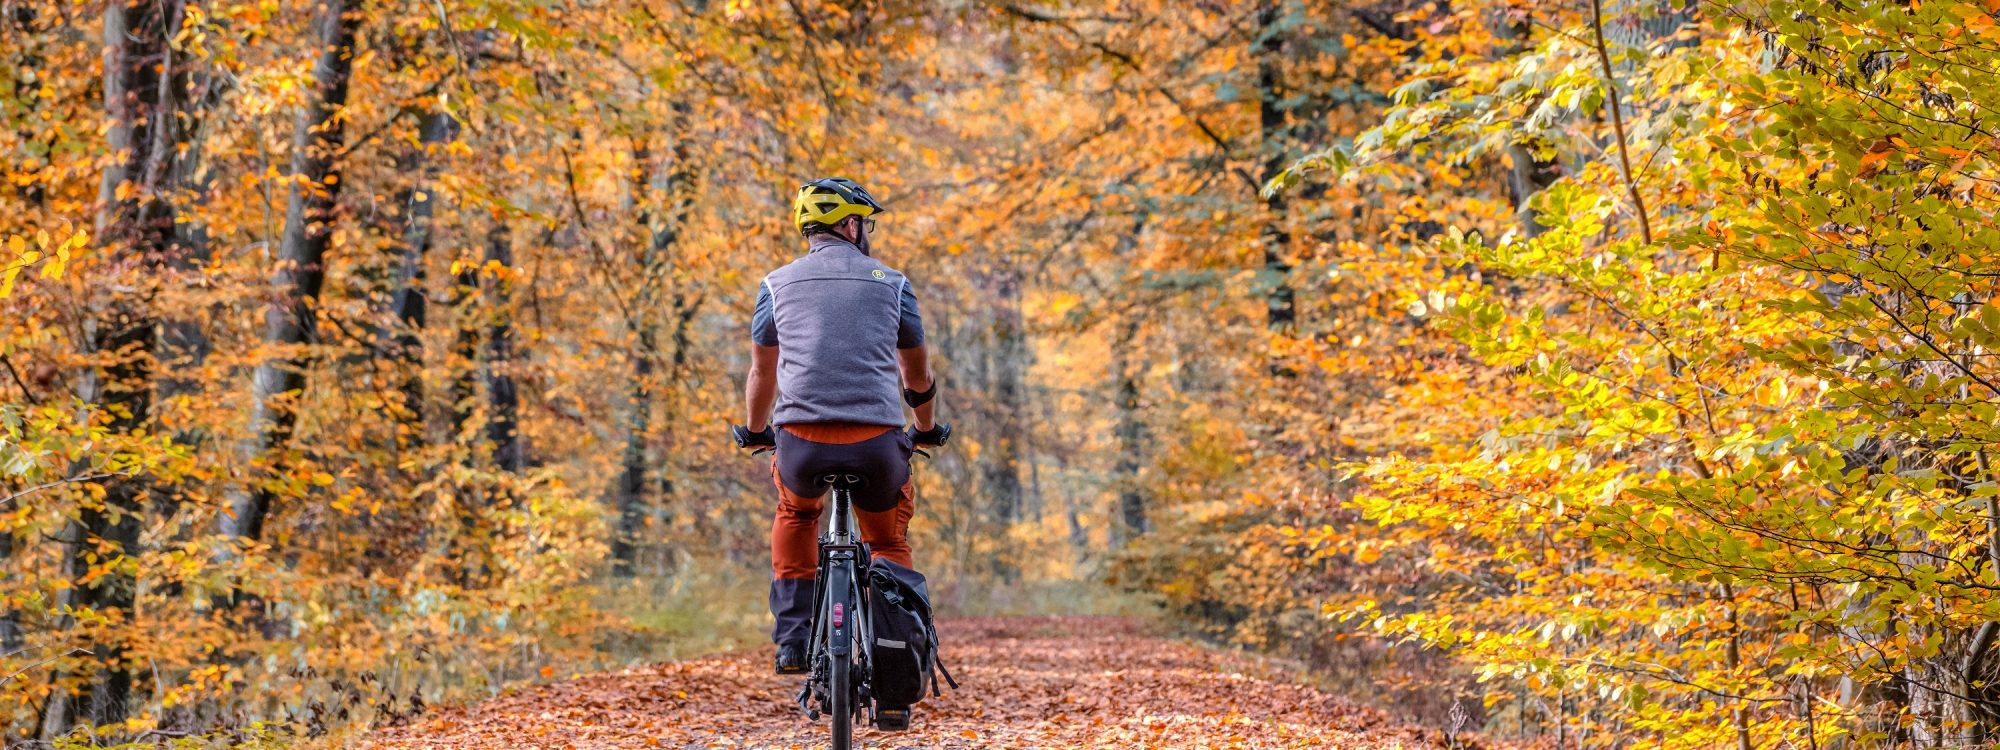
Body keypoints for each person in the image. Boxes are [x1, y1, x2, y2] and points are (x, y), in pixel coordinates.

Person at [731, 177, 950, 678]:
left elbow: (764, 372)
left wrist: (755, 429)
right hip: (876, 445)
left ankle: (792, 640)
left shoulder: (775, 284)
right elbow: (915, 375)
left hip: (802, 445)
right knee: (888, 542)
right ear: (851, 225)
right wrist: (926, 428)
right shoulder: (892, 284)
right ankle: (894, 661)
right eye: (864, 223)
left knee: (796, 513)